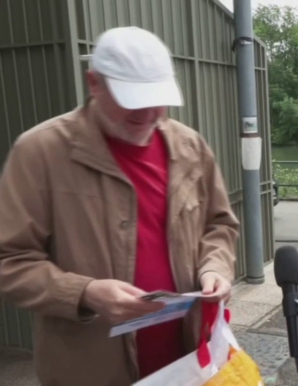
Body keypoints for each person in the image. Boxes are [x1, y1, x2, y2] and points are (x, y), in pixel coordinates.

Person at [0, 27, 239, 385]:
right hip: (89, 371)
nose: (146, 114)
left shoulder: (191, 147)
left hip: (189, 364)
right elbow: (9, 260)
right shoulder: (39, 152)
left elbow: (219, 225)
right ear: (93, 83)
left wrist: (214, 267)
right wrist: (84, 293)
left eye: (156, 98)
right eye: (130, 99)